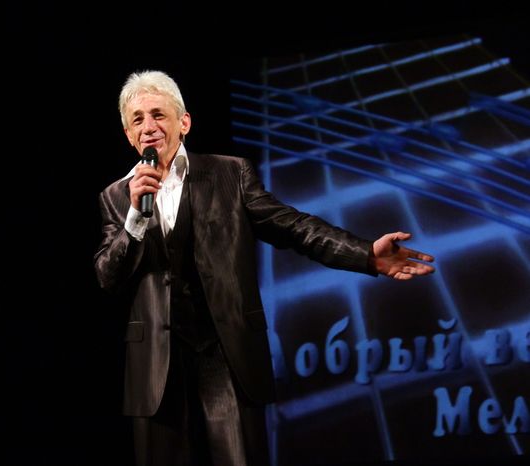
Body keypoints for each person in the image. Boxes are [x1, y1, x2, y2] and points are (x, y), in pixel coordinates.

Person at [94, 70, 435, 466]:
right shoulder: (116, 197)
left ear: (183, 122)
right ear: (128, 134)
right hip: (155, 365)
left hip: (226, 354)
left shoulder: (229, 173)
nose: (149, 127)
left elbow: (293, 227)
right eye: (138, 119)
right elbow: (108, 275)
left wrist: (365, 254)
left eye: (158, 115)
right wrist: (136, 217)